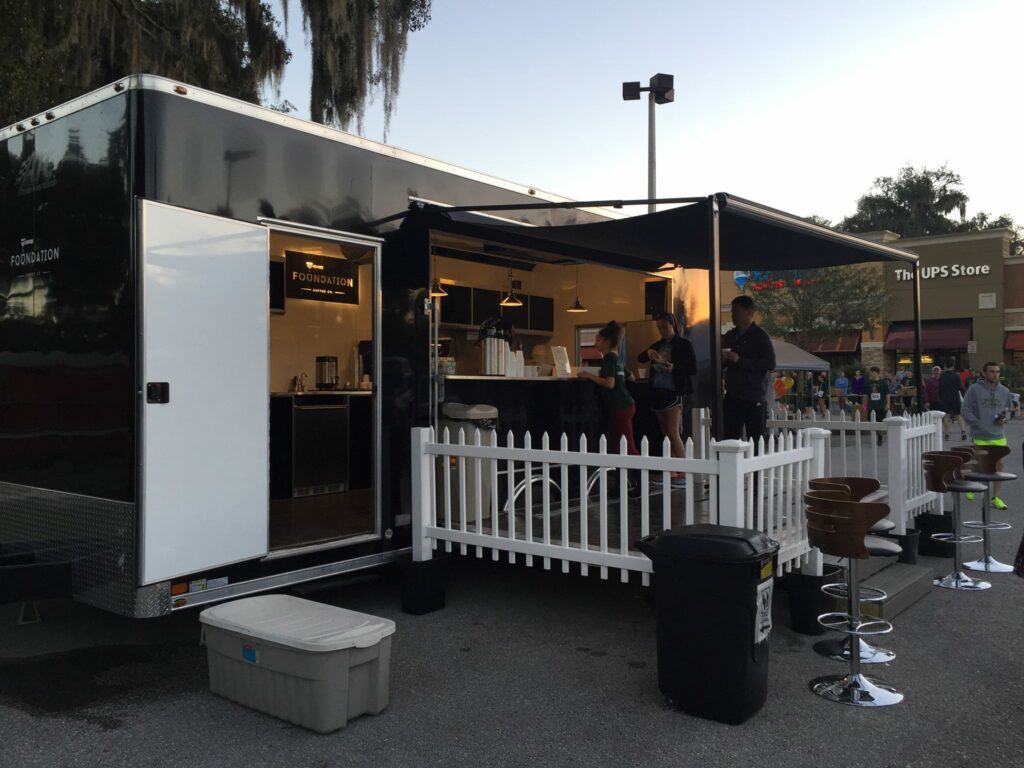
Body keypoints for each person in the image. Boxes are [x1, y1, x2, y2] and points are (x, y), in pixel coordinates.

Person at [637, 312, 697, 485]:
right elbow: (640, 358)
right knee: (666, 434)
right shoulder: (659, 344)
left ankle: (685, 472)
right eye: (659, 328)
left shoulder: (683, 344)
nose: (662, 331)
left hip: (673, 391)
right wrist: (649, 353)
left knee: (673, 432)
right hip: (657, 391)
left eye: (664, 327)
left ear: (673, 325)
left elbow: (692, 369)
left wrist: (674, 367)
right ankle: (672, 471)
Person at [722, 295, 775, 445]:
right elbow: (722, 365)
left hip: (753, 395)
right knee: (730, 440)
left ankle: (755, 462)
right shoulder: (730, 336)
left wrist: (740, 360)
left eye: (736, 312)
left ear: (749, 312)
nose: (733, 316)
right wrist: (723, 360)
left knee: (755, 440)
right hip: (732, 394)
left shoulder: (760, 336)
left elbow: (770, 363)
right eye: (732, 312)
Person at [579, 321, 637, 457]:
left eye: (598, 340)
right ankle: (622, 469)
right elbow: (631, 377)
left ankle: (640, 469)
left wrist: (590, 376)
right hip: (626, 405)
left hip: (620, 407)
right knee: (618, 443)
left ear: (607, 342)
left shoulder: (608, 359)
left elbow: (610, 383)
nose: (595, 343)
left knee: (626, 445)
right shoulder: (617, 359)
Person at [961, 361, 1012, 509]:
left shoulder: (1004, 391)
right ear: (984, 373)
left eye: (997, 372)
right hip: (980, 434)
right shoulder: (974, 389)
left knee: (999, 464)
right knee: (980, 463)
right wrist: (977, 423)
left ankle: (996, 497)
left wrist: (1004, 418)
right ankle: (972, 484)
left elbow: (1008, 410)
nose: (995, 375)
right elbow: (965, 410)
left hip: (998, 434)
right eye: (992, 371)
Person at [938, 363, 968, 440]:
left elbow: (939, 388)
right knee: (958, 415)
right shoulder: (956, 376)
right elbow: (960, 387)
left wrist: (941, 398)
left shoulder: (942, 376)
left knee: (946, 415)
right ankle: (963, 431)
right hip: (955, 398)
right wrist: (964, 396)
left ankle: (947, 433)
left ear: (945, 367)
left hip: (945, 399)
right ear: (953, 367)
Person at [864, 366, 890, 445]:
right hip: (871, 406)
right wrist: (864, 405)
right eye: (871, 372)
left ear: (877, 373)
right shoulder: (867, 383)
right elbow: (865, 395)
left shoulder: (883, 383)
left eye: (873, 372)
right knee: (871, 422)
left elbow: (887, 394)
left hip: (880, 406)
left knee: (879, 423)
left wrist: (888, 403)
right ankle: (874, 436)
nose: (871, 374)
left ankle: (880, 437)